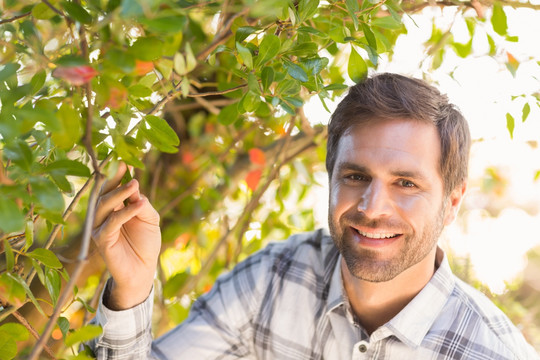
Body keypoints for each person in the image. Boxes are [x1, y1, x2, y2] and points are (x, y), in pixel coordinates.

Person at [88, 73, 539, 359]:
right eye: (356, 175)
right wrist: (131, 290)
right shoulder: (273, 279)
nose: (371, 208)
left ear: (452, 202)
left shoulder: (490, 352)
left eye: (406, 183)